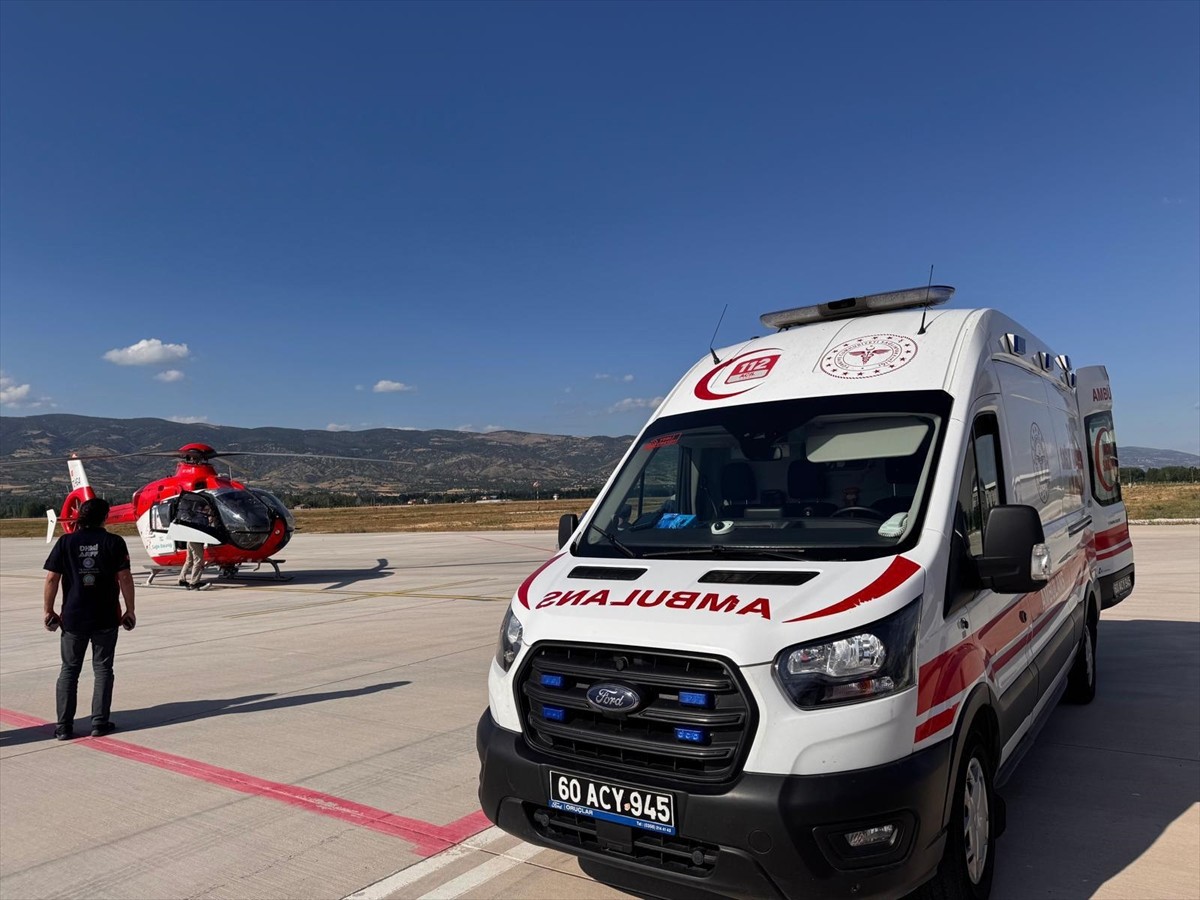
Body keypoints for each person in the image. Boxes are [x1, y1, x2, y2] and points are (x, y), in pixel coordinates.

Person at [43, 497, 136, 740]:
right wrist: (130, 609)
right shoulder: (114, 542)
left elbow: (52, 579)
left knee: (69, 671)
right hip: (105, 617)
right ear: (105, 517)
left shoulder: (66, 542)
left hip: (73, 618)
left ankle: (63, 727)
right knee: (103, 669)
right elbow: (125, 577)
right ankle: (99, 723)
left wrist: (48, 610)